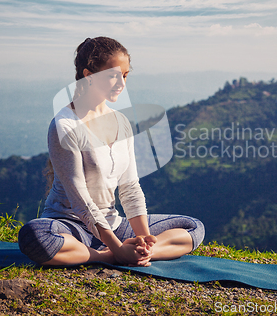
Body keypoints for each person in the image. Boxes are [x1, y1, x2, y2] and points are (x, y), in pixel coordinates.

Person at [18, 36, 204, 266]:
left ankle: (142, 254)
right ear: (88, 76)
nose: (121, 83)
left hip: (114, 224)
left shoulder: (121, 121)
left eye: (124, 75)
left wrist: (143, 240)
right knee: (34, 236)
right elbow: (81, 202)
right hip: (72, 225)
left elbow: (130, 187)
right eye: (113, 76)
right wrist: (116, 248)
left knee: (193, 227)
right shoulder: (64, 125)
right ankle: (107, 256)